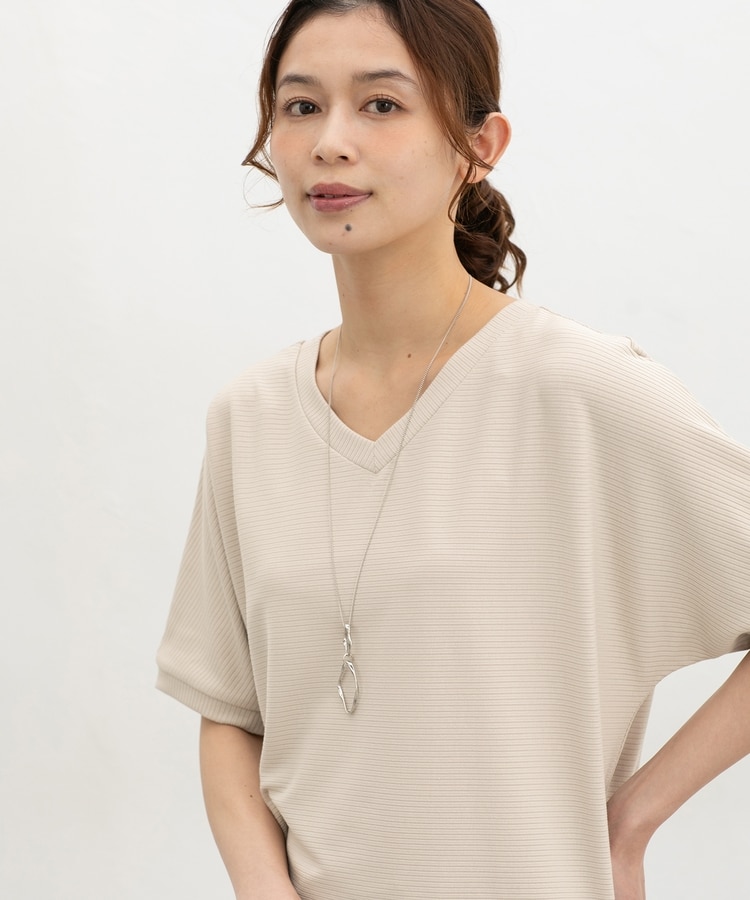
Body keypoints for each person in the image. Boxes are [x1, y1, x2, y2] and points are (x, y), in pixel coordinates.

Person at [156, 1, 750, 898]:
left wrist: (632, 822)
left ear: (480, 145)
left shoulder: (583, 391)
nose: (331, 142)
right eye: (302, 105)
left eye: (382, 104)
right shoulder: (249, 419)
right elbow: (229, 711)